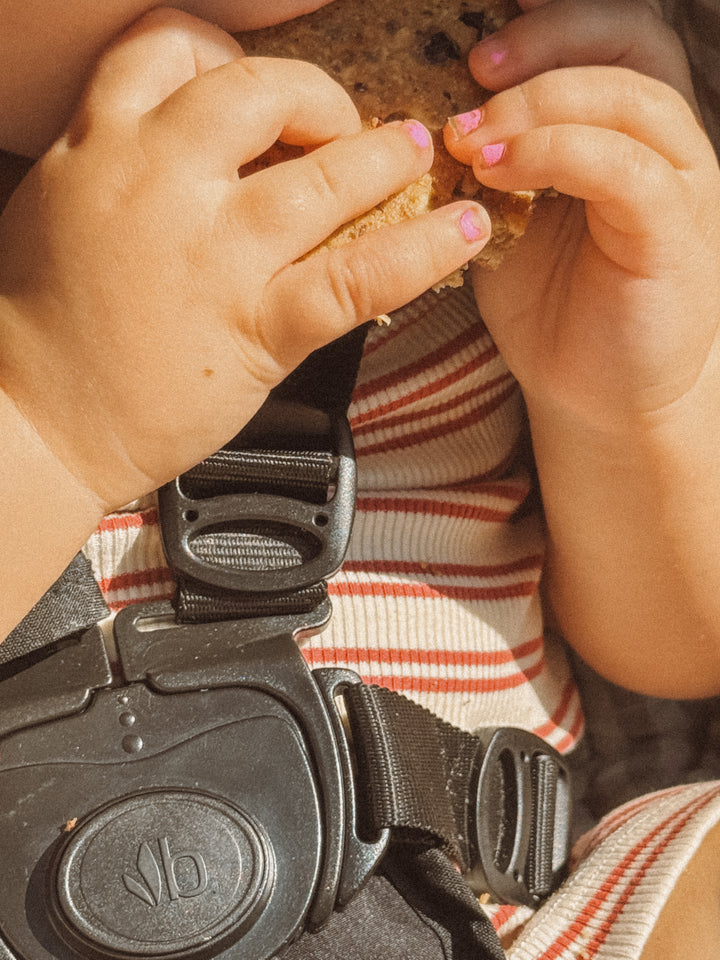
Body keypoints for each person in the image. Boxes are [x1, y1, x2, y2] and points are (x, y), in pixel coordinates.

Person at [1, 0, 720, 957]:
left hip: (503, 919)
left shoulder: (470, 267)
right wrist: (48, 417)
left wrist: (629, 408)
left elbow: (677, 650)